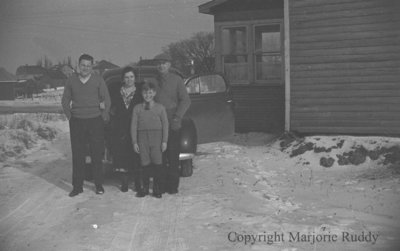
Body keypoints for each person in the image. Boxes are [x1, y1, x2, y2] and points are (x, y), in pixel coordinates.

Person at [61, 54, 111, 197]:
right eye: (83, 65)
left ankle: (99, 185)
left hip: (95, 120)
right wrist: (70, 116)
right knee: (78, 155)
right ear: (78, 65)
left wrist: (103, 115)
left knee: (96, 154)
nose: (85, 68)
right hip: (77, 121)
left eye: (88, 66)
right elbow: (65, 100)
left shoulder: (98, 80)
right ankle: (77, 186)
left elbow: (106, 99)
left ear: (92, 67)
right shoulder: (71, 80)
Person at [153, 53, 191, 194]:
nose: (161, 66)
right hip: (156, 123)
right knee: (159, 156)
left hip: (172, 120)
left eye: (164, 63)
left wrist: (177, 117)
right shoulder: (152, 81)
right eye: (158, 63)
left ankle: (173, 186)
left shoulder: (176, 80)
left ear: (169, 65)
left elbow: (185, 100)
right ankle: (161, 185)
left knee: (173, 154)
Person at [131, 82, 169, 198]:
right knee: (144, 164)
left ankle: (157, 188)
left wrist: (164, 141)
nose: (148, 95)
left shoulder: (160, 108)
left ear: (154, 93)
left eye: (150, 93)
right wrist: (134, 142)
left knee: (158, 164)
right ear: (142, 94)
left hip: (156, 138)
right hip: (142, 138)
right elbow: (133, 125)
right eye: (145, 93)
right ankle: (145, 188)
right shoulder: (137, 108)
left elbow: (165, 125)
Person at [109, 66, 142, 192]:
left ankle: (138, 182)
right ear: (123, 79)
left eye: (131, 77)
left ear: (135, 78)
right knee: (122, 154)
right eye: (127, 77)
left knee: (136, 153)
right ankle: (124, 182)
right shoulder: (117, 91)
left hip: (136, 125)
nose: (129, 79)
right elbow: (111, 108)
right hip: (120, 126)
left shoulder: (140, 91)